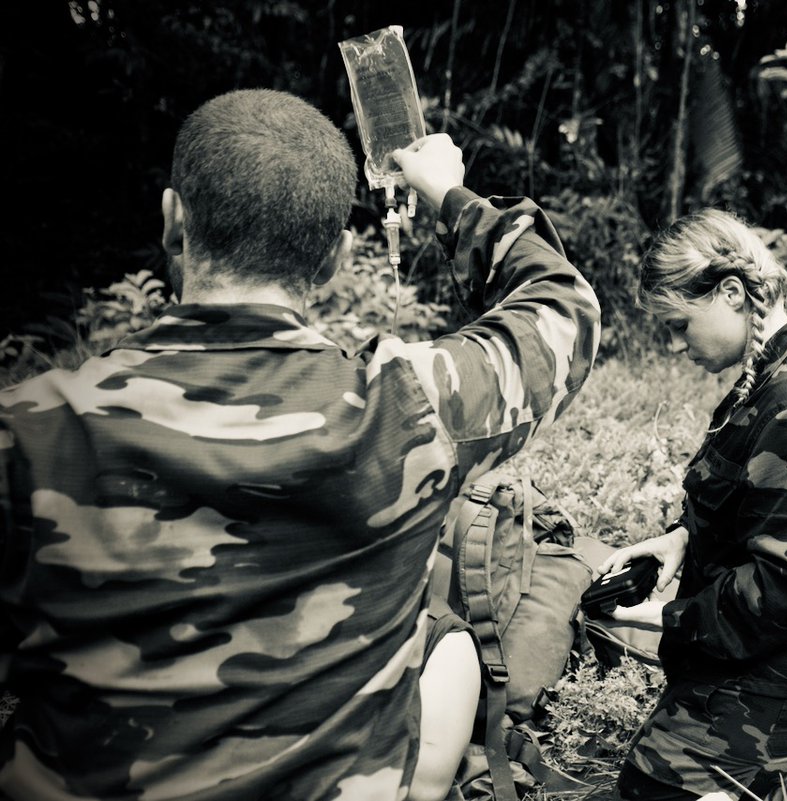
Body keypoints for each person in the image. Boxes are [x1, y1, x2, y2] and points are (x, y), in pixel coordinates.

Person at [0, 88, 600, 799]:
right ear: (337, 259)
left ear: (171, 222)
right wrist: (450, 194)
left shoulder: (29, 430)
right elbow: (563, 310)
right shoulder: (408, 408)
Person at [596, 208, 787, 801]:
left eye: (679, 324)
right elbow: (750, 504)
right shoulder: (767, 373)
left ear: (731, 293)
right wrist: (680, 538)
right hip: (747, 655)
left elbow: (786, 590)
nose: (674, 345)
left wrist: (668, 619)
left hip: (777, 677)